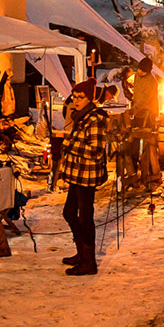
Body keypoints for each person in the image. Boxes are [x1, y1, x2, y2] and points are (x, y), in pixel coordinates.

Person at [59, 78, 108, 276]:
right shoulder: (81, 116)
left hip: (86, 176)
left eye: (81, 97)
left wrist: (70, 145)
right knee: (69, 213)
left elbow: (96, 150)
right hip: (76, 175)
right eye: (75, 96)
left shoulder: (94, 119)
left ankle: (89, 262)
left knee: (84, 217)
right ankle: (81, 253)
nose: (76, 100)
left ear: (89, 98)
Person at [129, 57, 161, 184]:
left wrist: (136, 108)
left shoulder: (152, 82)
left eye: (143, 71)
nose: (140, 72)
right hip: (138, 112)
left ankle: (150, 171)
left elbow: (145, 99)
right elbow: (136, 93)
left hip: (149, 113)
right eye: (139, 69)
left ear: (148, 71)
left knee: (148, 143)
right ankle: (133, 169)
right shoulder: (137, 76)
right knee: (133, 141)